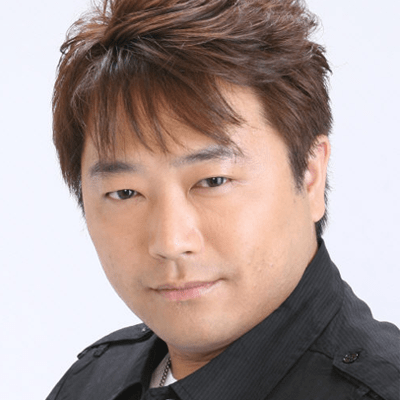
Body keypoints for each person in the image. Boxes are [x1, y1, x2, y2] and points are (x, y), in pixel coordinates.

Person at [46, 0, 400, 399]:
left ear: (310, 175)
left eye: (213, 181)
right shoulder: (90, 383)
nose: (171, 242)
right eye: (125, 192)